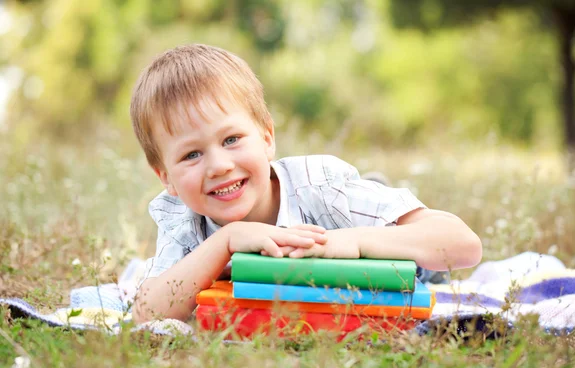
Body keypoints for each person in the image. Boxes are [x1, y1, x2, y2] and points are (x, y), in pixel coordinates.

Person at [129, 44, 482, 323]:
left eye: (232, 139)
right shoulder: (183, 219)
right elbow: (147, 313)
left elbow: (464, 245)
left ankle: (377, 195)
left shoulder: (319, 188)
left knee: (381, 222)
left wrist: (352, 240)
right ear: (165, 178)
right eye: (191, 155)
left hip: (379, 248)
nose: (219, 166)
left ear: (267, 138)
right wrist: (224, 242)